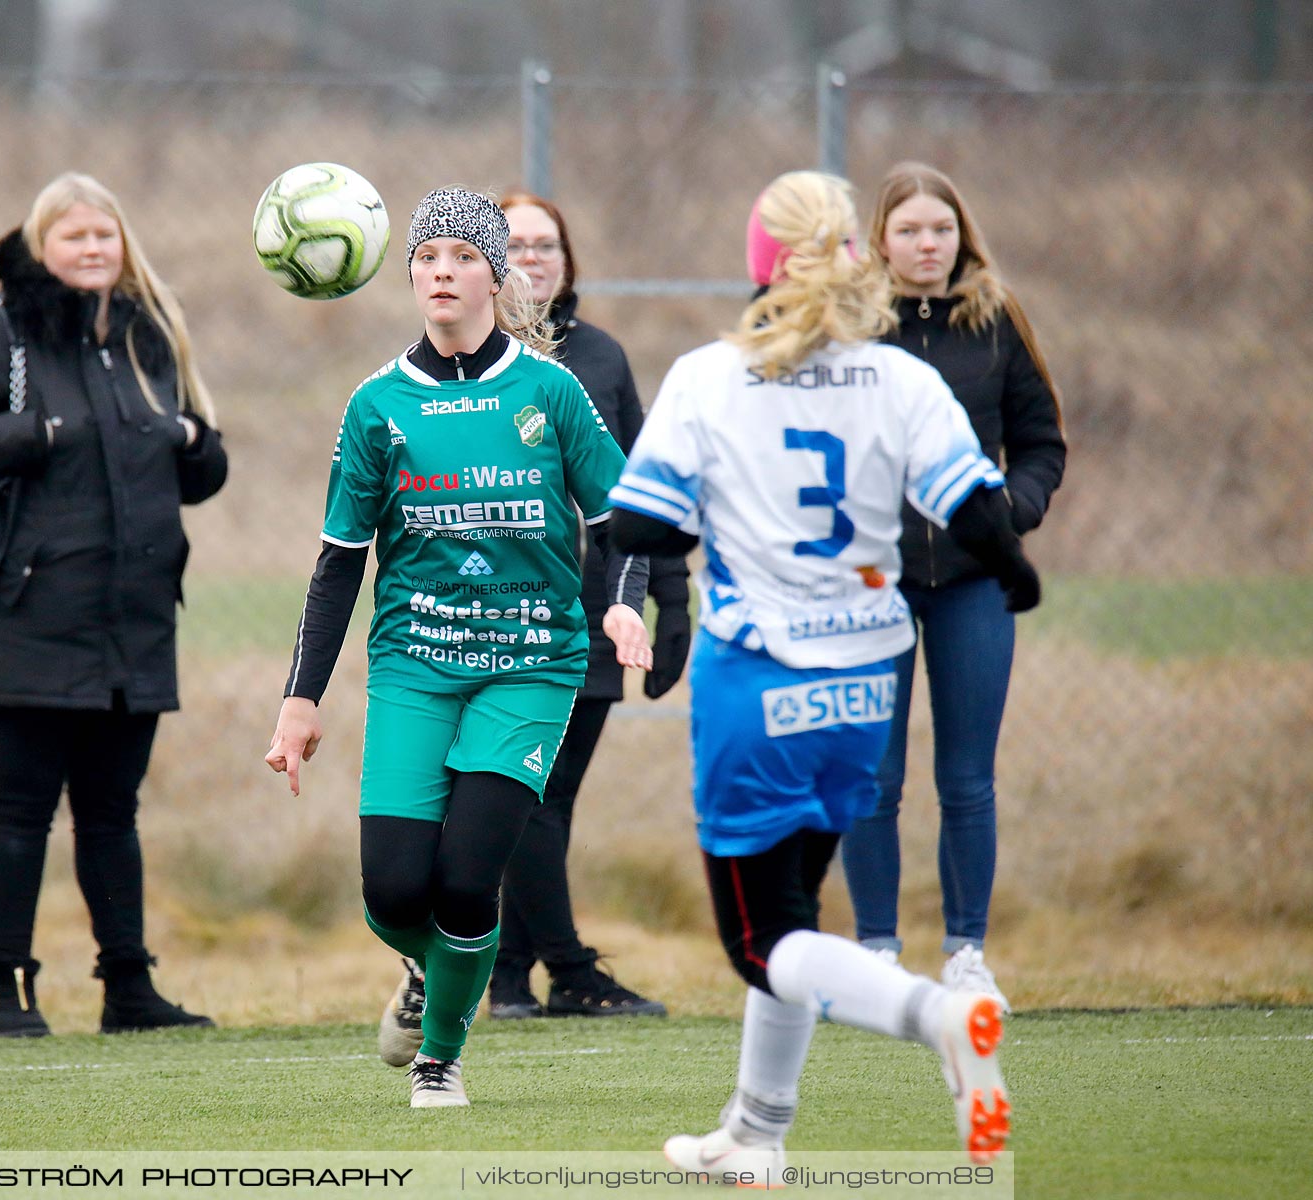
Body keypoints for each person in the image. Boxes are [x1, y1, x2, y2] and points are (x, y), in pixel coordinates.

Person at [608, 170, 1038, 1169]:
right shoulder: (899, 377)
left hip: (760, 684)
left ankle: (937, 1016)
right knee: (794, 917)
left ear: (759, 264)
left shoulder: (710, 377)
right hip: (864, 684)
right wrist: (1016, 577)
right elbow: (978, 509)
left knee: (762, 945)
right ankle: (758, 1135)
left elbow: (640, 525)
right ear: (858, 254)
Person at [264, 187, 654, 1108]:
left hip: (531, 665)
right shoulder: (377, 406)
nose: (442, 271)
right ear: (410, 276)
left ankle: (440, 1056)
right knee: (398, 892)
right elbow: (337, 565)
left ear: (495, 274)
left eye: (463, 256)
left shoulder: (551, 392)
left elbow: (628, 518)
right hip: (413, 666)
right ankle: (425, 969)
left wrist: (625, 605)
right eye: (427, 257)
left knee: (468, 878)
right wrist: (300, 696)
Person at [0, 171, 227, 1037]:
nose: (92, 250)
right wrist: (32, 436)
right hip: (28, 617)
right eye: (74, 237)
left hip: (136, 619)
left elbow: (204, 469)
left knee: (113, 814)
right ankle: (11, 990)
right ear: (41, 246)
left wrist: (192, 441)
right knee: (19, 810)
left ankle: (129, 990)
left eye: (105, 236)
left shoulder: (147, 335)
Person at [838, 162, 1066, 1008]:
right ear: (881, 242)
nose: (928, 245)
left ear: (961, 235)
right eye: (909, 230)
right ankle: (877, 956)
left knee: (966, 779)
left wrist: (1012, 512)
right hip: (875, 584)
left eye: (942, 229)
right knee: (873, 778)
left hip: (974, 583)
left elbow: (1042, 441)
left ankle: (967, 956)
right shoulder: (851, 328)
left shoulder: (997, 320)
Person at [487, 192, 691, 1021]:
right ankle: (563, 968)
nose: (533, 258)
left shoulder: (601, 356)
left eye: (548, 245)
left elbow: (645, 494)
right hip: (504, 620)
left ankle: (509, 975)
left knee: (552, 801)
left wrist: (671, 603)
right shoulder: (469, 360)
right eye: (516, 245)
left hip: (603, 618)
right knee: (524, 797)